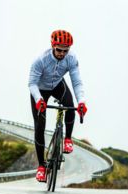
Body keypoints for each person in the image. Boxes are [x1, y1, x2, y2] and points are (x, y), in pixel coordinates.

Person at [28, 29, 87, 182]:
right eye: (59, 50)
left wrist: (82, 101)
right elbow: (32, 84)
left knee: (70, 105)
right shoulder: (41, 60)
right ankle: (41, 166)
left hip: (58, 86)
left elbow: (77, 82)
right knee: (39, 125)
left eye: (65, 51)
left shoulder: (72, 59)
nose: (62, 53)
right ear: (53, 46)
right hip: (40, 90)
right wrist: (39, 99)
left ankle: (67, 138)